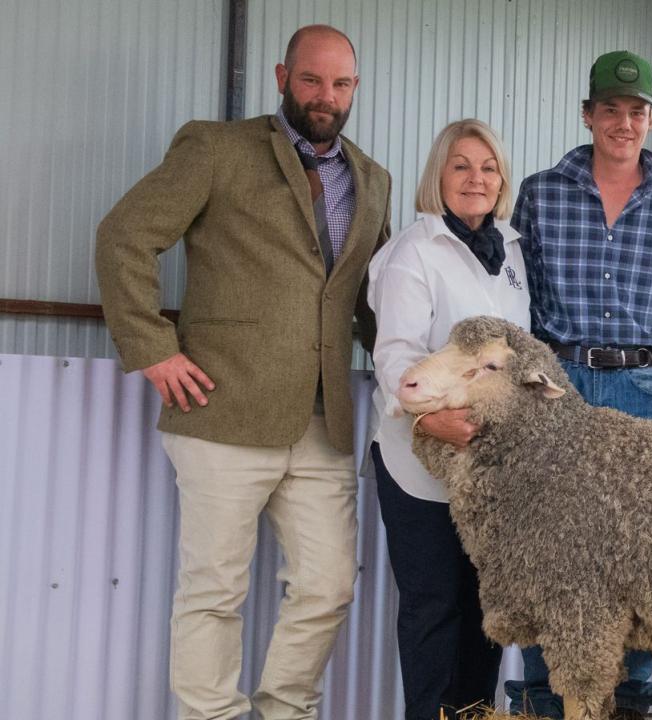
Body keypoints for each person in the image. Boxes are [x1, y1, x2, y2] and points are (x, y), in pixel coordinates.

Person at [94, 25, 391, 720]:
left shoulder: (372, 178)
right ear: (283, 75)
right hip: (222, 412)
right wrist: (152, 346)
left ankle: (284, 710)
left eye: (341, 83)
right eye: (313, 80)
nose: (326, 96)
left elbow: (372, 301)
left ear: (355, 89)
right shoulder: (217, 148)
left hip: (324, 423)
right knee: (213, 591)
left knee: (328, 586)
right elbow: (124, 237)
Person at [503, 50, 652, 720]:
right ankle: (543, 700)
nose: (624, 122)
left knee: (637, 560)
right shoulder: (539, 192)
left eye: (637, 110)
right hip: (557, 392)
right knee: (547, 557)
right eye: (611, 110)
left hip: (640, 392)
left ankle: (628, 703)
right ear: (588, 114)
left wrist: (647, 375)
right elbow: (522, 300)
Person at [365, 118, 528, 720]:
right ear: (439, 175)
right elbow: (396, 353)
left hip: (487, 468)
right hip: (420, 459)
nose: (475, 178)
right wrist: (431, 420)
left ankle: (475, 714)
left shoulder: (511, 250)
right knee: (433, 604)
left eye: (487, 168)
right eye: (461, 165)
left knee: (486, 605)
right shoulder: (414, 250)